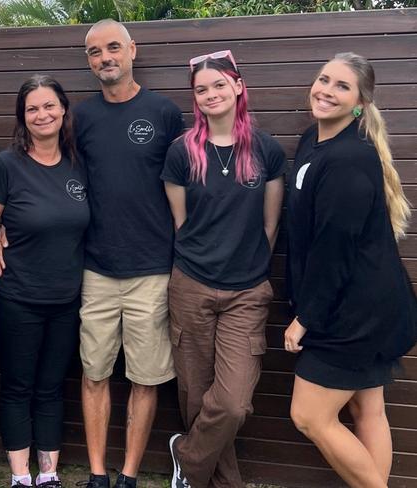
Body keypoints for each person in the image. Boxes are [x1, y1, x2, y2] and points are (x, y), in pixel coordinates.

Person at [284, 52, 417, 488]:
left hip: (355, 313)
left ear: (360, 103)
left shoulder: (349, 159)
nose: (326, 90)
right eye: (324, 79)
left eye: (342, 86)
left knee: (308, 415)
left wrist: (305, 319)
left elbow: (334, 250)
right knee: (366, 408)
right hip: (358, 304)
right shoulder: (313, 141)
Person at [162, 50, 285, 488]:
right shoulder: (181, 152)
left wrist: (245, 261)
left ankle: (186, 456)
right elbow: (182, 224)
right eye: (201, 90)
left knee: (232, 402)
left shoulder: (265, 149)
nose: (210, 94)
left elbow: (270, 224)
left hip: (247, 290)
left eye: (219, 85)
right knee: (197, 396)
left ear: (238, 86)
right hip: (192, 285)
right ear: (194, 99)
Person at [74, 19, 184, 488]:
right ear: (89, 61)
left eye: (113, 47)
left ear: (133, 50)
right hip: (95, 268)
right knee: (94, 373)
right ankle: (98, 473)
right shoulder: (79, 117)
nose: (105, 58)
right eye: (96, 52)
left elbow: (185, 184)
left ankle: (128, 475)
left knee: (146, 377)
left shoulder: (164, 112)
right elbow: (54, 178)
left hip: (152, 270)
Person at [0, 74, 89, 488]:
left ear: (63, 110)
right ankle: (20, 477)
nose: (41, 114)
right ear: (22, 118)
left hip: (67, 299)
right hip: (18, 298)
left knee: (52, 386)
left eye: (48, 106)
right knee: (18, 386)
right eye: (32, 109)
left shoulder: (80, 163)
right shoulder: (7, 165)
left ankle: (49, 474)